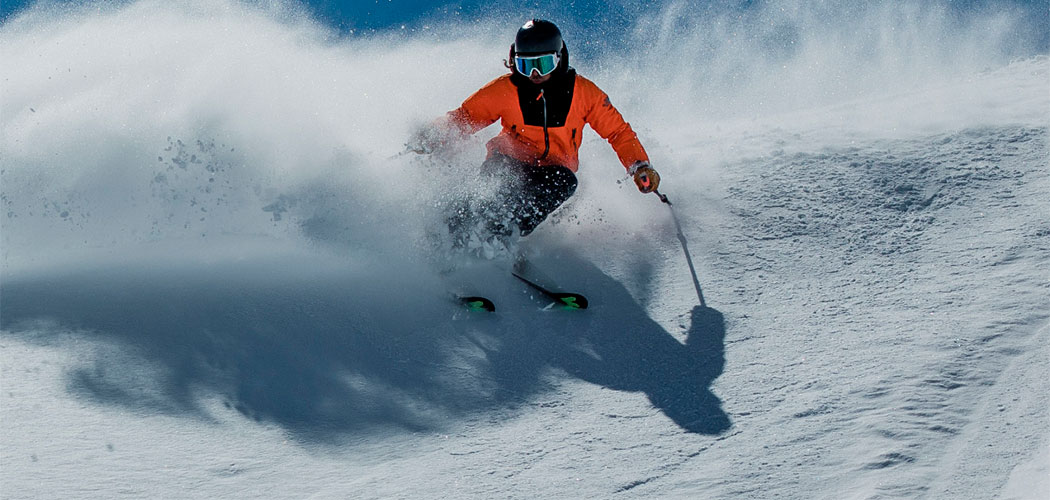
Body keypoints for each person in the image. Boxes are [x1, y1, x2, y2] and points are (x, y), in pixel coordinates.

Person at [409, 19, 660, 245]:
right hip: (509, 159)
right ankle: (448, 228)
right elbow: (465, 117)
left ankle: (503, 236)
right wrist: (434, 133)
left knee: (564, 182)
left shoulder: (584, 94)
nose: (535, 74)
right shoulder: (505, 89)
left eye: (543, 64)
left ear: (559, 58)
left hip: (553, 171)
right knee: (494, 185)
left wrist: (638, 165)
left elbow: (618, 132)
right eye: (525, 65)